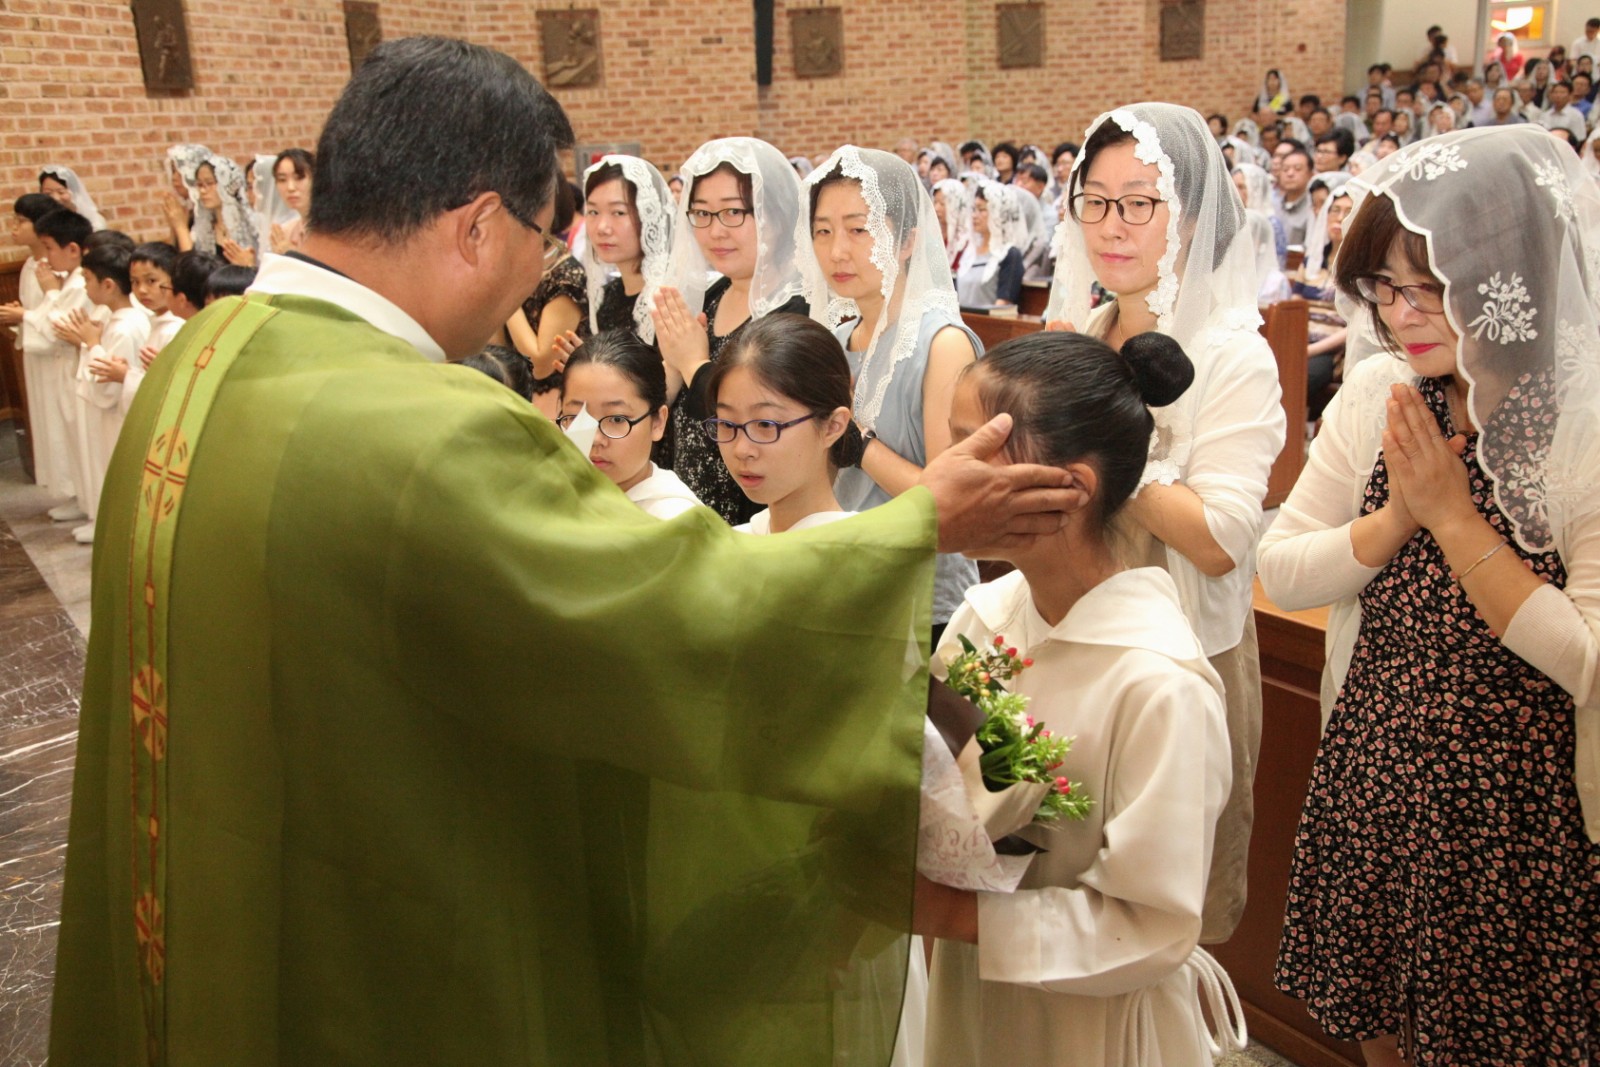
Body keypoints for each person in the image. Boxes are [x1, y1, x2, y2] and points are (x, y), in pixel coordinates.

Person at [48, 36, 1084, 1066]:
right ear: (477, 224)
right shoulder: (420, 425)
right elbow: (665, 611)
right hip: (369, 950)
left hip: (215, 897)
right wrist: (919, 522)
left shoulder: (199, 360)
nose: (535, 279)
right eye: (544, 240)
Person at [1264, 125, 1600, 1067]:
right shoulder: (1382, 389)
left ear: (1509, 273)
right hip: (1374, 760)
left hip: (1515, 803)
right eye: (1385, 287)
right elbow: (1281, 565)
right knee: (1375, 1019)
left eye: (1431, 285)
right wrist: (1392, 522)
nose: (1403, 315)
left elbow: (1586, 658)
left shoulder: (1579, 420)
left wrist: (1454, 519)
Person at [916, 329, 1245, 1066]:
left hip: (1092, 1026)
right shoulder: (983, 617)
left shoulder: (1158, 681)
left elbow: (1151, 925)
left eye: (974, 448)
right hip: (976, 992)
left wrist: (953, 914)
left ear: (1071, 487)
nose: (942, 475)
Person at [1047, 103, 1287, 945]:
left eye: (1139, 203)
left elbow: (1219, 541)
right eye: (1095, 201)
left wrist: (1111, 437)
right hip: (1077, 640)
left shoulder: (1232, 353)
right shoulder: (1084, 331)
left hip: (1183, 661)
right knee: (1068, 894)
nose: (1111, 226)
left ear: (1186, 218)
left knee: (1162, 920)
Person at [799, 146, 984, 641]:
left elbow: (946, 500)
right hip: (847, 576)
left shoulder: (941, 344)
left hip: (922, 596)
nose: (837, 251)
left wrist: (859, 446)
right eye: (823, 231)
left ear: (907, 242)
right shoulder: (836, 341)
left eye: (859, 230)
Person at [652, 136, 810, 525]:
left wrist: (693, 364)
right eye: (702, 214)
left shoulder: (797, 309)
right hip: (687, 513)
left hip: (757, 518)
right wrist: (668, 373)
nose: (715, 231)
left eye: (733, 212)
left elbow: (761, 417)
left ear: (775, 217)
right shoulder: (708, 298)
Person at [51, 241, 149, 545]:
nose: (84, 286)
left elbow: (108, 389)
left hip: (120, 416)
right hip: (114, 415)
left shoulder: (123, 327)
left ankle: (122, 530)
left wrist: (90, 344)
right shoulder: (116, 320)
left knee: (120, 471)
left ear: (108, 285)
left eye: (87, 279)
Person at [557, 329, 702, 520]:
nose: (595, 439)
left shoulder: (675, 519)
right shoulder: (551, 498)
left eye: (617, 419)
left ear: (658, 422)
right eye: (577, 418)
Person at [23, 208, 96, 521]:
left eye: (49, 247)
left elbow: (59, 330)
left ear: (73, 249)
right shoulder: (71, 280)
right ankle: (80, 497)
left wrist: (50, 294)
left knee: (83, 440)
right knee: (70, 437)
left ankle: (92, 504)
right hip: (65, 368)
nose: (46, 256)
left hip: (78, 366)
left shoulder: (80, 284)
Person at [576, 155, 673, 340]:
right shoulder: (606, 297)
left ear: (650, 216)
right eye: (593, 212)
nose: (602, 228)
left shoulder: (669, 301)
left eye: (619, 212)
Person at [0, 194, 61, 484]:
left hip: (56, 356)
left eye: (21, 221)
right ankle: (59, 485)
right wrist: (19, 316)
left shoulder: (54, 266)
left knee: (60, 421)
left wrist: (25, 315)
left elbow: (59, 311)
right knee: (45, 420)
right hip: (36, 354)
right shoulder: (28, 265)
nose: (14, 227)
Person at [507, 177, 587, 384]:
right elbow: (493, 347)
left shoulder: (566, 275)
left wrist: (504, 295)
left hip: (554, 396)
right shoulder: (513, 265)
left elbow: (541, 364)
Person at [954, 179, 1026, 307]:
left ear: (999, 212)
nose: (974, 215)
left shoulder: (1009, 254)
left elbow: (1003, 305)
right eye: (974, 209)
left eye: (982, 210)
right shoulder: (968, 251)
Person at [268, 148, 314, 253]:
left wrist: (293, 256)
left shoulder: (333, 228)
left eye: (299, 178)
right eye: (282, 180)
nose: (290, 187)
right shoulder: (285, 232)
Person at [39, 165, 106, 229]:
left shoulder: (94, 221)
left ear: (74, 192)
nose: (55, 198)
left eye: (61, 192)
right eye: (48, 193)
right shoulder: (40, 221)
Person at [1274, 142, 1315, 245]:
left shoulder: (1313, 208)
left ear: (1311, 174)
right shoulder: (1272, 204)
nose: (1290, 174)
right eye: (1285, 169)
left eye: (1297, 169)